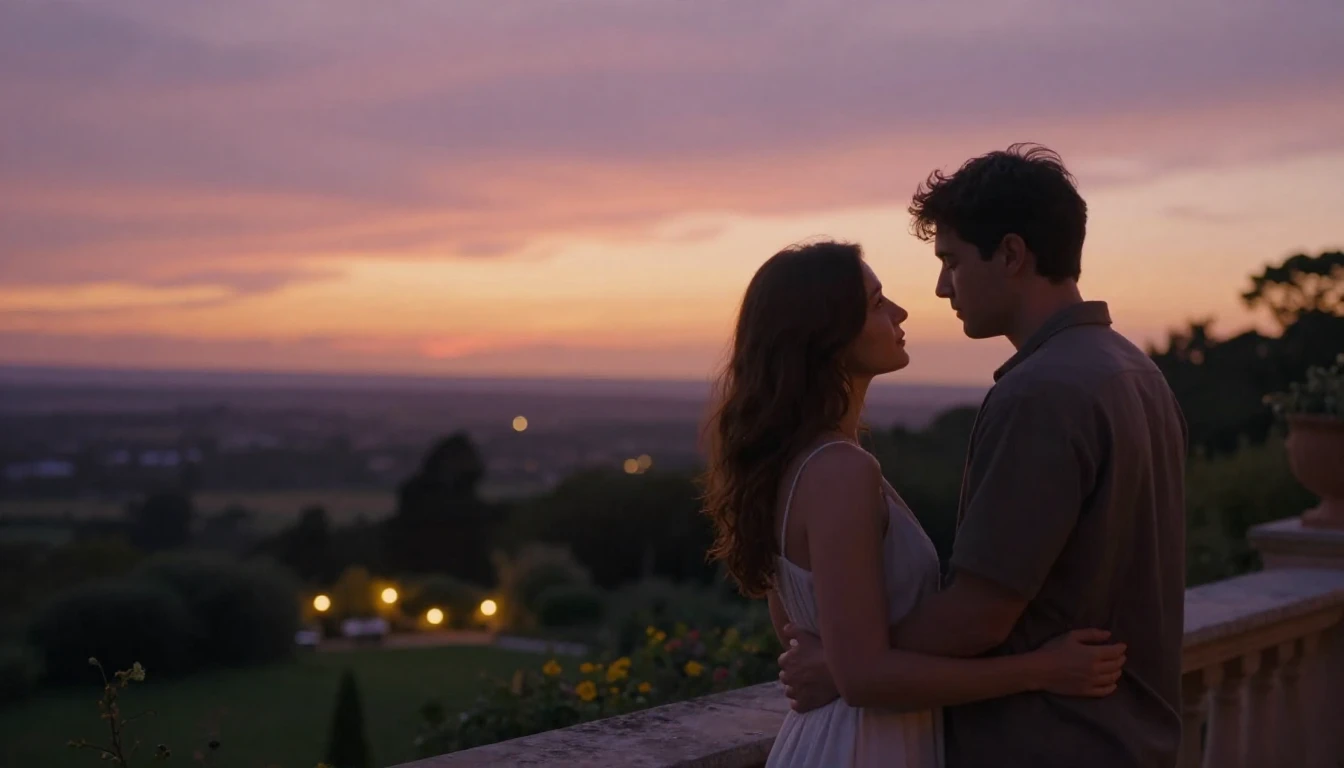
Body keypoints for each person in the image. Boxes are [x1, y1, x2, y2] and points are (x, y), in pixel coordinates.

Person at [777, 145, 1188, 767]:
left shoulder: (1040, 393)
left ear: (1013, 254)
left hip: (1049, 742)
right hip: (1126, 737)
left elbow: (979, 615)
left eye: (952, 261)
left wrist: (846, 666)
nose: (942, 287)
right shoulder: (1135, 370)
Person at [702, 238, 1128, 768]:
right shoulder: (839, 471)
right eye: (878, 303)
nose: (901, 312)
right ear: (828, 334)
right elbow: (863, 677)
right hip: (860, 748)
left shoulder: (802, 463)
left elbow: (804, 638)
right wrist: (1041, 670)